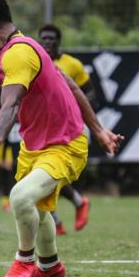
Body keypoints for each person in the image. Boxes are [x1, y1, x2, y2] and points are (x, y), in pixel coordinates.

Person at [0, 0, 123, 277]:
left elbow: (11, 103)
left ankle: (24, 261)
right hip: (34, 145)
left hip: (63, 145)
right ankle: (50, 265)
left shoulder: (17, 54)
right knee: (37, 212)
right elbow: (72, 86)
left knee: (20, 197)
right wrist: (100, 130)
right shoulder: (30, 46)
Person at [38, 24, 95, 235]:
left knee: (50, 176)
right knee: (43, 176)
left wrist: (72, 106)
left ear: (58, 41)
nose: (47, 42)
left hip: (69, 130)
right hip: (43, 129)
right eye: (43, 38)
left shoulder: (72, 65)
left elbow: (90, 94)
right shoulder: (36, 63)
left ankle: (57, 221)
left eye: (51, 38)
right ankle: (76, 205)